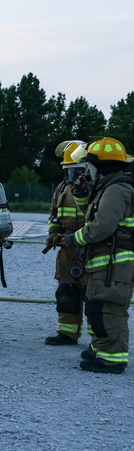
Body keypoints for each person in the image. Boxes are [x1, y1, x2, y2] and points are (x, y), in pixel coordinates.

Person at [59, 137, 134, 374]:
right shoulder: (109, 187)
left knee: (109, 308)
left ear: (97, 165)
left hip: (113, 263)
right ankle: (101, 348)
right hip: (107, 262)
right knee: (98, 306)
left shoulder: (115, 189)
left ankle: (111, 359)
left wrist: (73, 238)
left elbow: (102, 226)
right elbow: (93, 215)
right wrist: (82, 193)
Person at [45, 141, 88, 345]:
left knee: (93, 295)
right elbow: (54, 216)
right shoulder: (62, 189)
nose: (72, 175)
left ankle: (99, 338)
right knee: (66, 292)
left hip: (90, 247)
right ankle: (67, 333)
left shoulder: (94, 188)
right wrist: (54, 233)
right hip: (66, 248)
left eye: (76, 170)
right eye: (69, 170)